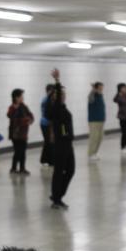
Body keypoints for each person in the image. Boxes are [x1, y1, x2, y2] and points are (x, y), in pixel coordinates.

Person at [46, 69, 75, 209]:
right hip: (60, 145)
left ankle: (57, 195)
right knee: (59, 172)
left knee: (70, 170)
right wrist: (57, 81)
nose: (63, 96)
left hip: (68, 143)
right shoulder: (55, 109)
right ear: (54, 97)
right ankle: (56, 199)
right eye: (60, 95)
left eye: (64, 94)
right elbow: (56, 100)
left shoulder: (63, 107)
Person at [7, 88, 34, 175]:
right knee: (18, 151)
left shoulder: (24, 106)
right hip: (15, 134)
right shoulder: (12, 108)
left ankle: (22, 168)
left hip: (23, 133)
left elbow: (30, 115)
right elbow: (12, 118)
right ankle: (13, 168)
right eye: (21, 96)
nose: (23, 98)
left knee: (23, 151)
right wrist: (25, 120)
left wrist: (30, 120)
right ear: (16, 97)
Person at [87, 82, 106, 162]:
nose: (101, 89)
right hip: (93, 120)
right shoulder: (92, 96)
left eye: (102, 88)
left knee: (100, 137)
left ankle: (94, 153)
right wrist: (93, 90)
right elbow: (90, 98)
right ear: (96, 88)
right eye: (100, 88)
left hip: (101, 120)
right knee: (94, 137)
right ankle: (90, 154)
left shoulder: (101, 96)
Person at [39, 85, 55, 166]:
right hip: (46, 123)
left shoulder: (48, 99)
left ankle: (46, 160)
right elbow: (49, 114)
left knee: (48, 142)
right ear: (48, 91)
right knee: (49, 142)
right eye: (52, 91)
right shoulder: (47, 100)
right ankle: (47, 160)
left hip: (47, 123)